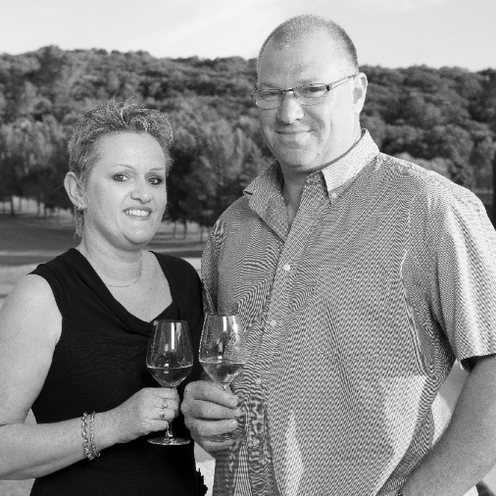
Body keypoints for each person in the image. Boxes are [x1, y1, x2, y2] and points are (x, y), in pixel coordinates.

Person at [181, 13, 496, 496]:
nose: (288, 113)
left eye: (313, 89)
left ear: (357, 92)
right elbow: (216, 373)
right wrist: (202, 409)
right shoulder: (232, 228)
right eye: (271, 93)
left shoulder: (432, 209)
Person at [0, 99, 205, 495]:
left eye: (155, 179)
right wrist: (114, 425)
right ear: (77, 190)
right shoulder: (41, 296)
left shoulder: (183, 280)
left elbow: (196, 409)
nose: (143, 194)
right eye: (121, 177)